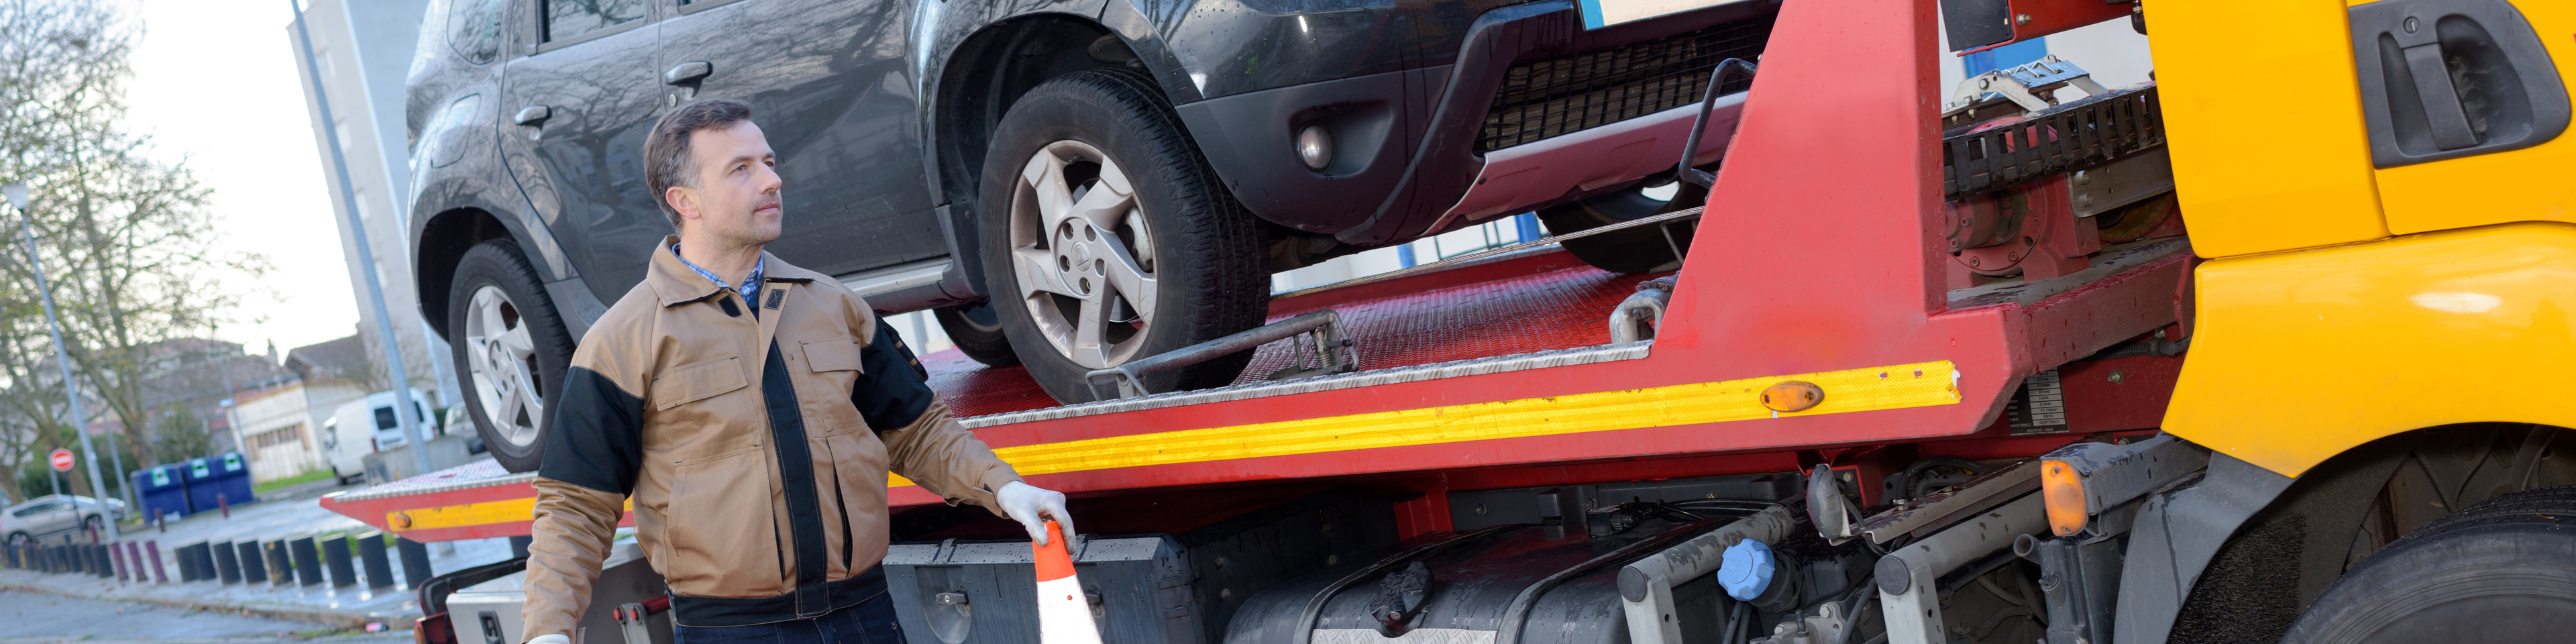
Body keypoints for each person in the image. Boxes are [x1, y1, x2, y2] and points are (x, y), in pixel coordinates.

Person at [519, 99, 1074, 644]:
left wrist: (1003, 488)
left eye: (769, 162)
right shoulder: (623, 340)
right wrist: (548, 629)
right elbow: (575, 504)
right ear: (684, 199)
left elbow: (916, 431)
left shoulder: (835, 306)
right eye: (741, 169)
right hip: (732, 634)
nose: (771, 181)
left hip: (865, 615)